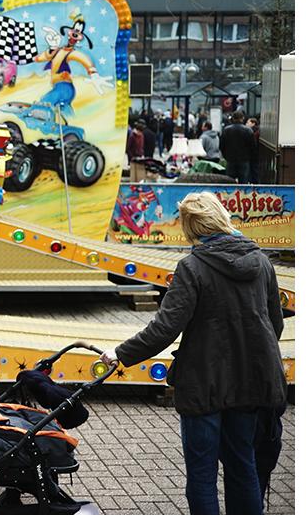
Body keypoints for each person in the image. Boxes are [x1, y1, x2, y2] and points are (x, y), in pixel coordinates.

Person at [100, 192, 286, 515]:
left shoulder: (192, 267)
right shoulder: (261, 262)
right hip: (251, 384)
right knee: (243, 467)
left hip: (203, 385)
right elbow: (275, 326)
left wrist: (120, 353)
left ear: (192, 228)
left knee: (201, 477)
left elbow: (164, 329)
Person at [219, 110, 256, 184]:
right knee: (243, 182)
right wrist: (249, 156)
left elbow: (222, 145)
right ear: (243, 118)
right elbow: (253, 146)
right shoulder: (248, 130)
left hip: (230, 159)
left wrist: (226, 156)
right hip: (244, 159)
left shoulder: (226, 130)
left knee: (229, 182)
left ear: (233, 118)